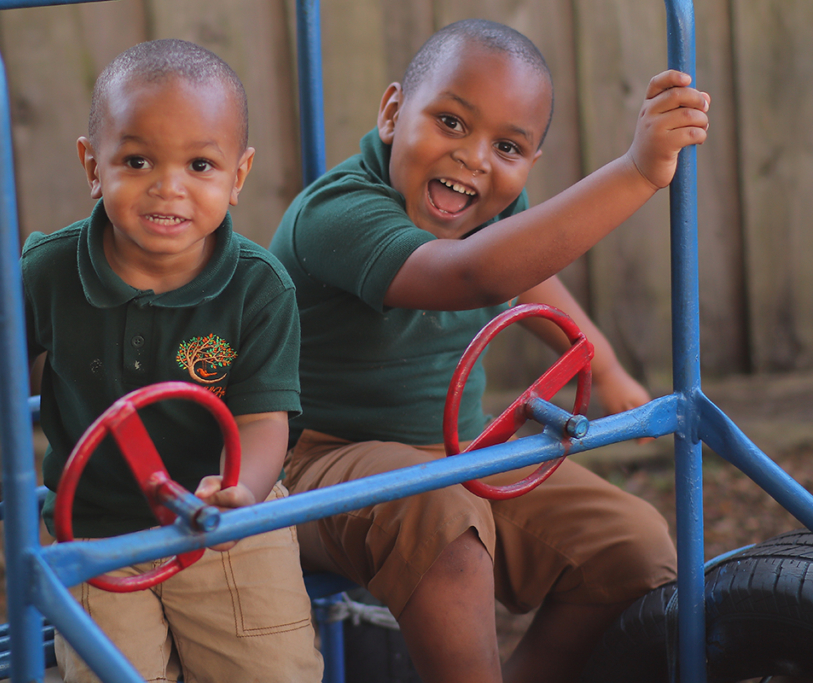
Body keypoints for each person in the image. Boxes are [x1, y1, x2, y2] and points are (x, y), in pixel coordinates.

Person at [269, 19, 710, 683]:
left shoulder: (489, 214)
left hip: (453, 455)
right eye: (451, 122)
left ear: (529, 164)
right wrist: (636, 173)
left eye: (507, 145)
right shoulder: (338, 212)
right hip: (314, 462)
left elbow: (526, 269)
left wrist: (603, 363)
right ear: (393, 113)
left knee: (634, 547)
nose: (474, 156)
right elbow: (473, 273)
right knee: (438, 511)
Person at [0, 39, 323, 683]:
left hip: (226, 526)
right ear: (93, 164)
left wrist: (242, 492)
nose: (168, 186)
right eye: (137, 160)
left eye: (200, 165)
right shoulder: (48, 271)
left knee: (271, 669)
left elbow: (262, 419)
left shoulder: (259, 287)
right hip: (95, 532)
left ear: (239, 175)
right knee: (113, 674)